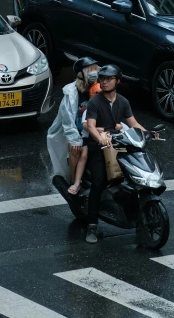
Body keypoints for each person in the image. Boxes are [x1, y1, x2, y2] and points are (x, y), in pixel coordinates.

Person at [84, 63, 147, 244]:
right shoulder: (95, 102)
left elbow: (133, 123)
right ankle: (92, 225)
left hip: (119, 144)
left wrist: (147, 133)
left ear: (117, 81)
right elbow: (90, 126)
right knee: (98, 182)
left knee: (134, 177)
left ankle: (137, 218)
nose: (104, 82)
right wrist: (100, 138)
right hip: (99, 148)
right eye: (102, 79)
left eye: (108, 79)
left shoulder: (123, 101)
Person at [46, 56, 100, 189]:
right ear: (81, 74)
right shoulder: (71, 93)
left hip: (96, 128)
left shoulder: (99, 88)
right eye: (90, 70)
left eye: (95, 69)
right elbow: (68, 121)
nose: (94, 73)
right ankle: (74, 179)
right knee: (76, 150)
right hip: (78, 131)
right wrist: (75, 140)